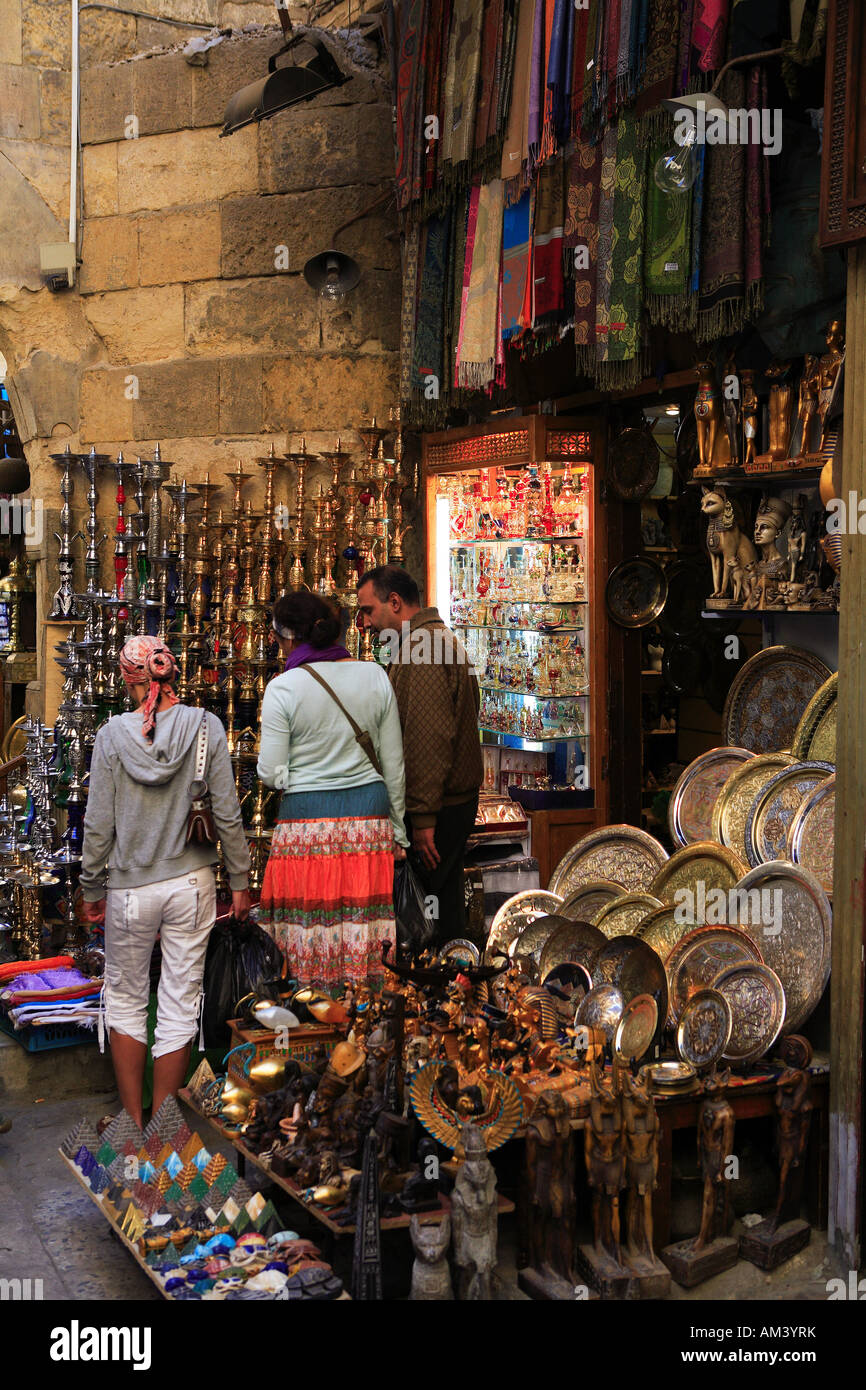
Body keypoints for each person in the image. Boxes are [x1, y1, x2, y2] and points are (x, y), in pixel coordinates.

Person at [80, 635, 251, 1129]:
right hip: (191, 885)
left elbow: (98, 824)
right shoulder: (206, 727)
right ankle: (164, 1127)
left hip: (131, 888)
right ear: (170, 674)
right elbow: (227, 812)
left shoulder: (112, 736)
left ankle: (132, 1124)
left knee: (127, 999)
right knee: (179, 1002)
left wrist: (92, 889)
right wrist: (239, 880)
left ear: (129, 680)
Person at [257, 591, 409, 989]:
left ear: (289, 637)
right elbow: (393, 765)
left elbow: (271, 773)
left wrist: (307, 777)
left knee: (309, 929)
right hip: (369, 822)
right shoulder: (374, 675)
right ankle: (365, 1018)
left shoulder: (283, 689)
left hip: (305, 826)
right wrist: (398, 832)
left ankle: (310, 1014)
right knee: (363, 926)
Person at [355, 565, 483, 940]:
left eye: (368, 610)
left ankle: (439, 984)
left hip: (440, 809)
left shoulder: (422, 648)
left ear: (394, 602)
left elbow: (428, 739)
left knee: (430, 914)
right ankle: (451, 982)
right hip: (447, 803)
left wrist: (423, 818)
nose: (364, 623)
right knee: (440, 903)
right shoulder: (429, 640)